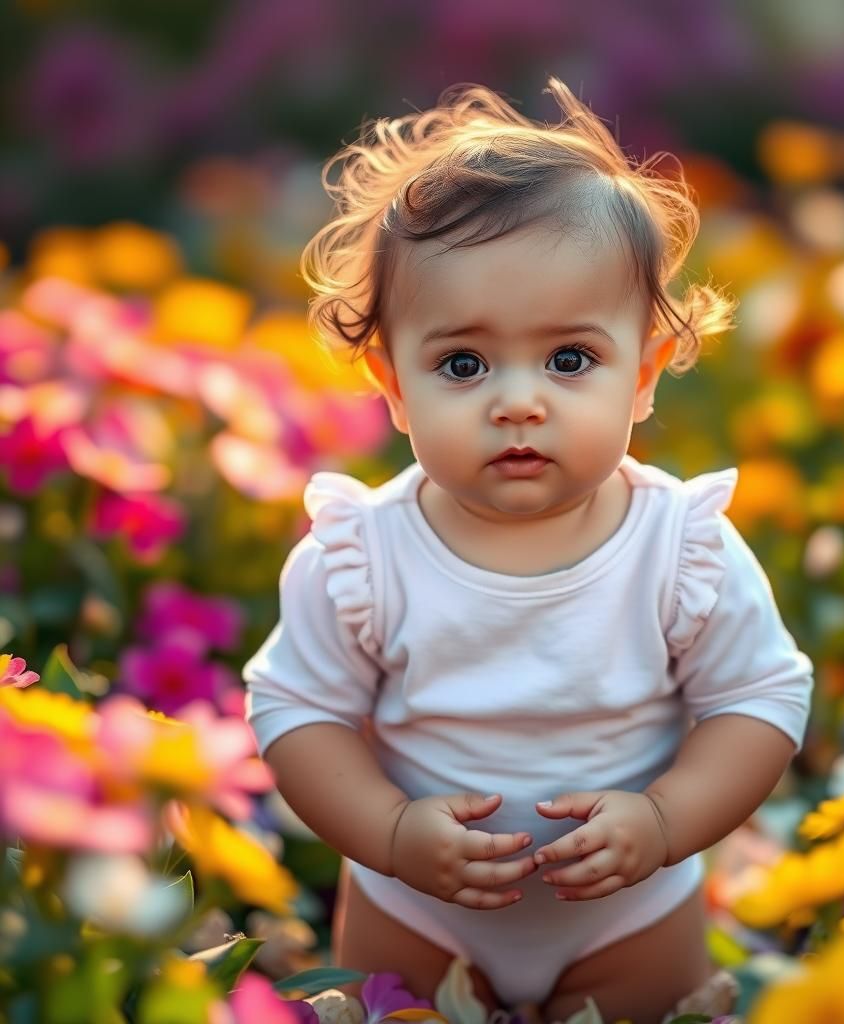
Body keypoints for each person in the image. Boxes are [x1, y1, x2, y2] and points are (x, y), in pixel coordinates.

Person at [242, 76, 814, 1024]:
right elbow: (298, 709)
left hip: (627, 920)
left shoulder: (681, 548)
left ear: (642, 377)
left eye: (570, 360)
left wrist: (667, 820)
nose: (518, 400)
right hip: (414, 911)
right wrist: (386, 832)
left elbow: (758, 697)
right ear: (392, 385)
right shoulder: (362, 554)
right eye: (463, 364)